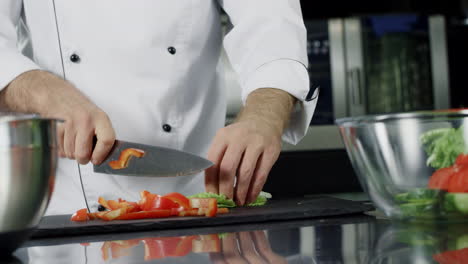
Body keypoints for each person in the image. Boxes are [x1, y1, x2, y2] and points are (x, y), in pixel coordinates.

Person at [0, 1, 317, 215]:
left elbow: (271, 21)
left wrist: (265, 113)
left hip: (191, 210)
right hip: (66, 211)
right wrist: (44, 91)